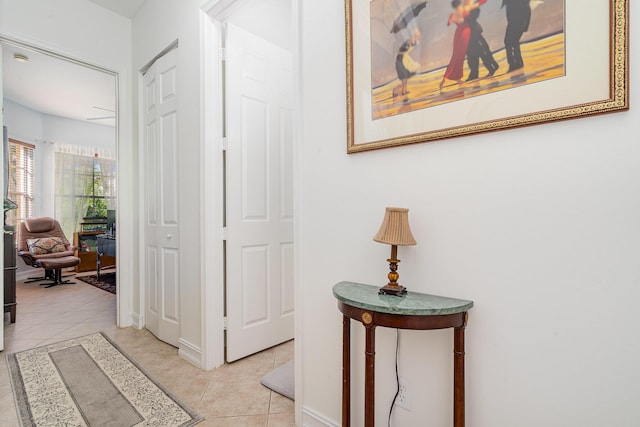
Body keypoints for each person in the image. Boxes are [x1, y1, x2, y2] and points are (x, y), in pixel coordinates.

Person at [439, 0, 487, 92]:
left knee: (456, 56)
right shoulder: (465, 9)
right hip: (465, 33)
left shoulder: (452, 14)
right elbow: (481, 2)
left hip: (458, 34)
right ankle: (454, 78)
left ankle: (447, 80)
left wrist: (453, 19)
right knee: (459, 57)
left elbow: (448, 23)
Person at [464, 0, 498, 81]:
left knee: (481, 53)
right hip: (470, 35)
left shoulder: (471, 8)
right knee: (473, 55)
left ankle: (491, 67)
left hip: (474, 35)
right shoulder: (468, 8)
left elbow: (475, 14)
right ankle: (476, 73)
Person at [502, 0, 531, 72]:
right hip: (515, 22)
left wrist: (525, 25)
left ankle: (514, 64)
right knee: (513, 42)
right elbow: (527, 8)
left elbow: (526, 8)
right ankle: (517, 63)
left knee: (509, 42)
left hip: (516, 22)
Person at [395, 29, 421, 98]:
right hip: (401, 60)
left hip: (404, 59)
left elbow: (413, 44)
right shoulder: (409, 41)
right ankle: (403, 91)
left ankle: (404, 90)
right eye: (417, 35)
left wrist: (415, 39)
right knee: (404, 77)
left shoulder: (413, 41)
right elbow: (405, 48)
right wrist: (412, 39)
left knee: (405, 77)